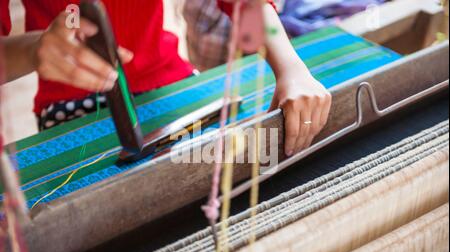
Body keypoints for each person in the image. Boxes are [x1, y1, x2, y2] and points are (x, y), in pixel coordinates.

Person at [0, 0, 331, 156]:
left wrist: (290, 68)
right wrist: (35, 50)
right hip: (74, 100)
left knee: (245, 168)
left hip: (172, 81)